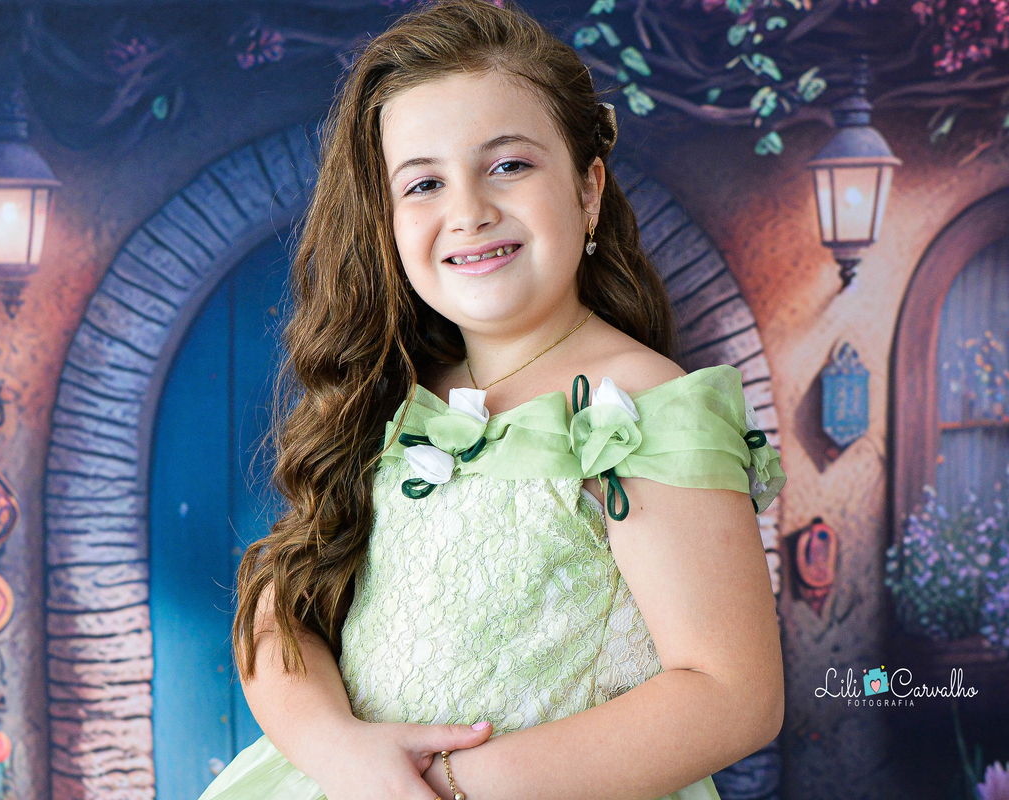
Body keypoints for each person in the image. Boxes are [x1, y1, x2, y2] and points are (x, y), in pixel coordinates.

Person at [199, 0, 787, 797]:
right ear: (387, 220)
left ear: (588, 188)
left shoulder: (640, 407)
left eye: (508, 165)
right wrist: (344, 753)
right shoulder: (395, 398)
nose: (468, 211)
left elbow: (732, 697)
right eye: (424, 183)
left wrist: (448, 785)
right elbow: (281, 610)